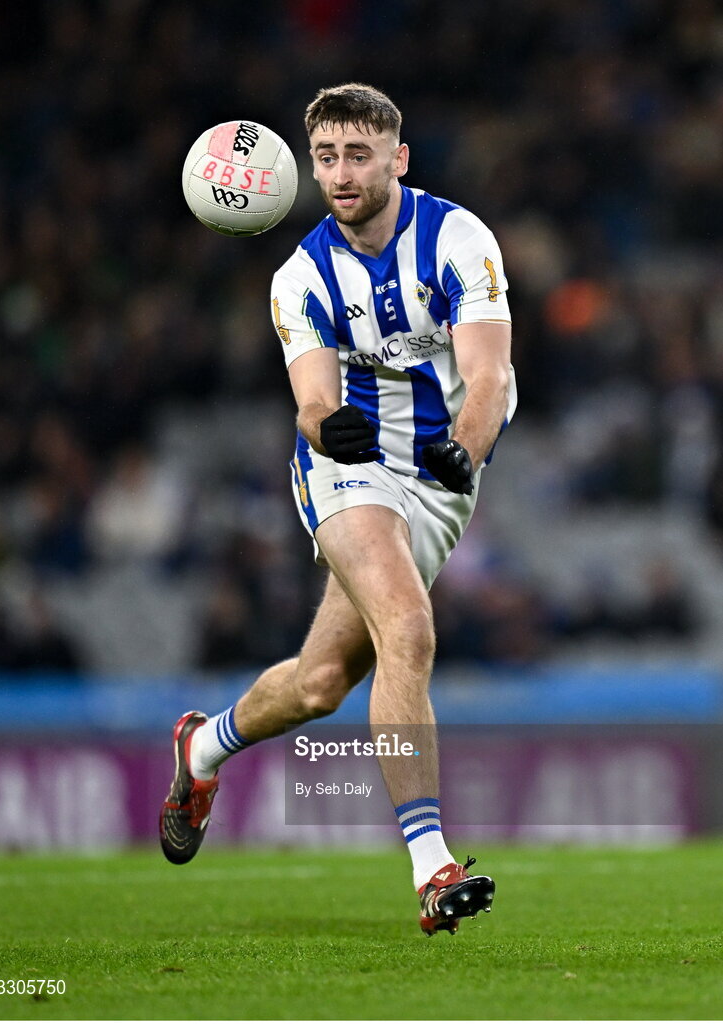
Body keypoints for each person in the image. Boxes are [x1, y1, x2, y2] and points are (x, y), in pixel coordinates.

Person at [160, 83, 517, 935]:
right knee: (409, 628)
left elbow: (490, 378)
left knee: (320, 684)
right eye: (326, 157)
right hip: (345, 473)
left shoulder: (457, 238)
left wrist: (463, 450)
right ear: (308, 163)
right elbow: (311, 403)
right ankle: (432, 869)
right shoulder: (300, 276)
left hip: (441, 474)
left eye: (359, 155)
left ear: (397, 158)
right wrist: (333, 428)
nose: (340, 172)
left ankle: (202, 746)